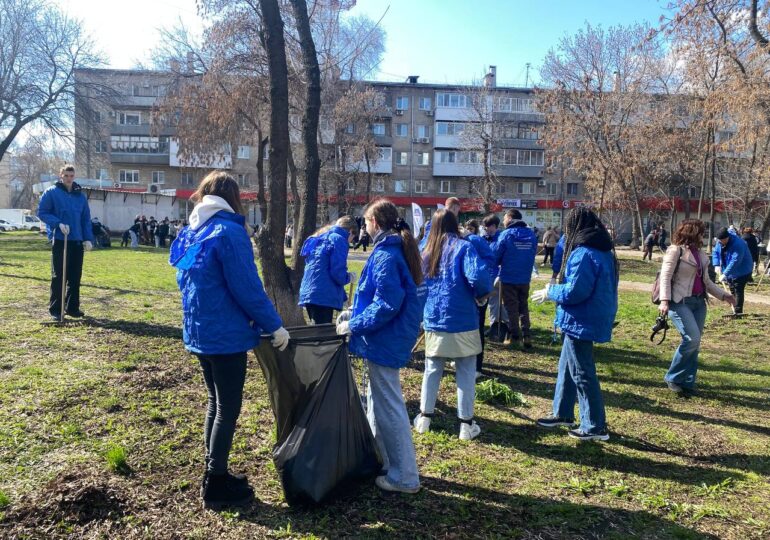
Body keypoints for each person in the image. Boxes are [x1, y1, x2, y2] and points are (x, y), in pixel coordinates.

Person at [169, 171, 290, 510]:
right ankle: (216, 483)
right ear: (232, 197)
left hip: (199, 333)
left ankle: (213, 473)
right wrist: (275, 326)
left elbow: (186, 283)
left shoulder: (193, 231)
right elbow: (247, 288)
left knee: (215, 402)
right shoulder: (228, 231)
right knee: (227, 408)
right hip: (225, 337)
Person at [335, 199, 423, 494]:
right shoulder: (394, 249)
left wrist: (354, 325)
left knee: (388, 405)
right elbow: (379, 298)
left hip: (385, 338)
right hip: (388, 336)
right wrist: (353, 315)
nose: (364, 226)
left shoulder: (387, 255)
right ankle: (383, 460)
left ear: (376, 223)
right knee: (377, 399)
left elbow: (387, 303)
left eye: (366, 221)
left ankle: (406, 476)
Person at [532, 207, 618, 441]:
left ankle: (595, 425)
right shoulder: (604, 252)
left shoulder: (583, 254)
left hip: (581, 318)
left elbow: (575, 291)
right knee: (567, 368)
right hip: (592, 316)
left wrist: (551, 291)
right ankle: (562, 412)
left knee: (582, 372)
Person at [413, 211, 491, 441]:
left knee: (432, 369)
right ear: (455, 225)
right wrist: (481, 296)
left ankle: (424, 418)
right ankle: (466, 425)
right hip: (463, 319)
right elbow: (479, 278)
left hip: (434, 317)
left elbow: (417, 284)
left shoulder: (424, 251)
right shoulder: (464, 247)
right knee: (466, 372)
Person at [658, 219, 735, 395]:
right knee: (691, 339)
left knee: (695, 343)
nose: (704, 235)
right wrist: (664, 301)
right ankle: (673, 377)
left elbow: (706, 281)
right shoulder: (674, 251)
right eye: (701, 231)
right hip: (679, 302)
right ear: (692, 232)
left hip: (699, 303)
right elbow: (665, 277)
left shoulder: (700, 254)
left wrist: (724, 295)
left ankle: (687, 381)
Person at [37, 164, 94, 320]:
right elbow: (42, 212)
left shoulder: (80, 196)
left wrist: (88, 238)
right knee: (59, 276)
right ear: (60, 176)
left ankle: (72, 307)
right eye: (66, 176)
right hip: (61, 240)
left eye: (71, 176)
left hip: (76, 240)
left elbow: (85, 219)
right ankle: (56, 309)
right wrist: (57, 223)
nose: (69, 179)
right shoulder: (51, 193)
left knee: (75, 276)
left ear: (74, 177)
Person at [299, 216, 358, 324]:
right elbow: (337, 272)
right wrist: (348, 277)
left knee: (317, 332)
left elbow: (323, 271)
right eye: (353, 237)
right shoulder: (339, 240)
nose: (351, 241)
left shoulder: (322, 236)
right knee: (322, 334)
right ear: (350, 231)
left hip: (309, 293)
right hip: (323, 296)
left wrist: (343, 297)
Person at [494, 209, 538, 348]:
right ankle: (527, 335)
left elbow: (496, 255)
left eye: (505, 218)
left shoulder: (506, 234)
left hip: (509, 277)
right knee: (523, 305)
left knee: (511, 307)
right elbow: (532, 253)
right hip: (525, 277)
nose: (504, 221)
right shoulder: (531, 234)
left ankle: (515, 336)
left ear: (510, 219)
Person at [464, 219, 495, 377]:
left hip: (479, 293)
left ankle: (477, 366)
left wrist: (483, 293)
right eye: (466, 227)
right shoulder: (460, 241)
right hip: (466, 293)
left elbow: (488, 265)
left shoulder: (475, 242)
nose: (468, 230)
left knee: (477, 328)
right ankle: (466, 360)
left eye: (471, 228)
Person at [713, 227, 754, 314]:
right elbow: (716, 252)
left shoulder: (738, 244)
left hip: (743, 270)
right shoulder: (720, 242)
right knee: (732, 288)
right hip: (729, 269)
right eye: (719, 240)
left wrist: (725, 273)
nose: (720, 242)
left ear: (727, 237)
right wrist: (716, 264)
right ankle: (734, 308)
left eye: (722, 240)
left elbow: (735, 261)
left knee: (738, 289)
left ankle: (738, 311)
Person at [482, 213, 509, 331]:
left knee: (495, 302)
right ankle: (505, 323)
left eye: (487, 226)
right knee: (495, 303)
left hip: (496, 276)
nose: (485, 229)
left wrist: (500, 275)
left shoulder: (501, 238)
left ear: (493, 226)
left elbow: (504, 259)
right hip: (487, 275)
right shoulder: (485, 239)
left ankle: (495, 326)